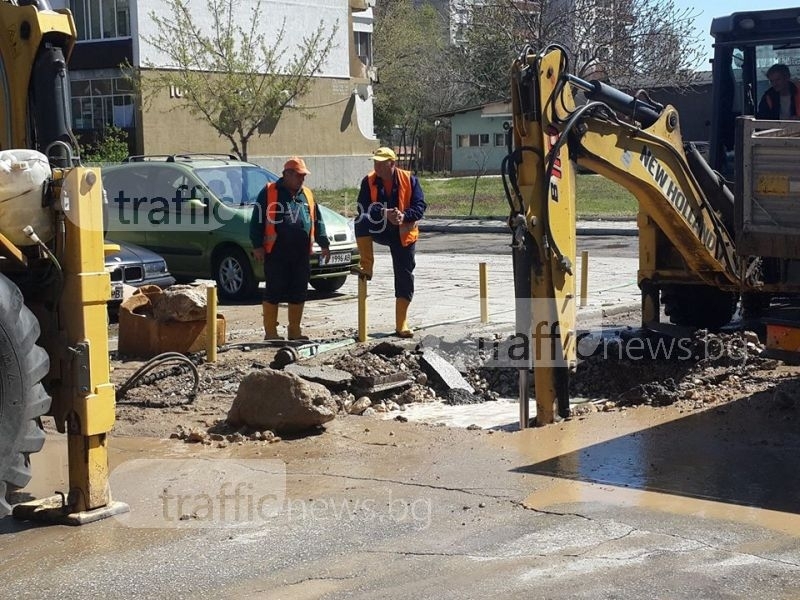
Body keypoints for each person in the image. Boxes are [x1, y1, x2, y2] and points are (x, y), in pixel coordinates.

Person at [250, 157, 330, 340]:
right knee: (274, 290)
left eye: (303, 176)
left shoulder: (307, 194)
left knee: (299, 290)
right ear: (287, 174)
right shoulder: (270, 192)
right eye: (299, 175)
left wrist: (324, 244)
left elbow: (317, 221)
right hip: (277, 253)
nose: (302, 179)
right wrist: (257, 246)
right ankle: (271, 333)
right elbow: (256, 221)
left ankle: (295, 331)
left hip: (301, 254)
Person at [353, 147, 427, 338]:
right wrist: (384, 213)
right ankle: (366, 265)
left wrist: (404, 216)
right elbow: (363, 207)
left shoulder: (409, 180)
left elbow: (420, 206)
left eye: (380, 163)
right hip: (381, 228)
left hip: (403, 233)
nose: (376, 166)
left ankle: (401, 323)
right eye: (374, 162)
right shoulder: (368, 181)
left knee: (404, 276)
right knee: (360, 221)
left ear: (392, 164)